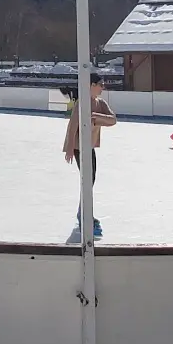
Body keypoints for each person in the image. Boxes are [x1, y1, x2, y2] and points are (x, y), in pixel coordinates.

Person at [62, 73, 118, 237]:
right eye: (100, 84)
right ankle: (84, 216)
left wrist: (96, 117)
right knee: (88, 180)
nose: (102, 87)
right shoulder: (82, 103)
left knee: (90, 180)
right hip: (80, 148)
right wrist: (70, 148)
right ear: (91, 85)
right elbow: (73, 126)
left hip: (90, 147)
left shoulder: (100, 103)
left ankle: (83, 213)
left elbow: (113, 120)